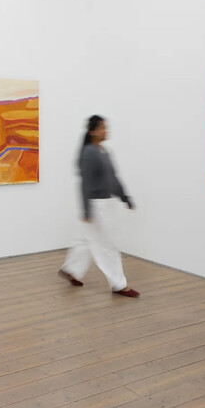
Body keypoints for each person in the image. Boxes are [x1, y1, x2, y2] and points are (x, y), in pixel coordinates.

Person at [58, 115, 141, 298]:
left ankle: (71, 269)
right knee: (107, 245)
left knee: (86, 240)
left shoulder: (105, 152)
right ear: (93, 131)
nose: (106, 130)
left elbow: (113, 178)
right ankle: (119, 285)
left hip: (106, 203)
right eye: (102, 127)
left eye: (106, 127)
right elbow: (85, 183)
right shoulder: (89, 153)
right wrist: (87, 210)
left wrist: (125, 197)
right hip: (97, 206)